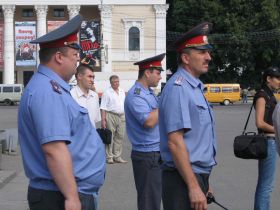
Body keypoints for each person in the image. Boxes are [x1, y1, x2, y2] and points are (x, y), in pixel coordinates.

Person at [18, 15, 106, 210]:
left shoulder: (53, 88)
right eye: (74, 57)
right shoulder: (48, 91)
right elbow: (54, 149)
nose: (77, 63)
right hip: (60, 195)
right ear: (59, 57)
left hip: (65, 192)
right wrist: (72, 197)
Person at [158, 22, 217, 210]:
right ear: (185, 57)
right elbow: (175, 142)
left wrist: (202, 182)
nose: (208, 57)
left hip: (193, 176)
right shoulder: (178, 88)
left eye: (207, 52)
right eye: (201, 52)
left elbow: (195, 140)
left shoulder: (194, 87)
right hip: (181, 180)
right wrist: (193, 185)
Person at [124, 53, 165, 210]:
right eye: (158, 72)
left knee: (155, 198)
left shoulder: (148, 93)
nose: (160, 77)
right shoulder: (136, 95)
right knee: (149, 202)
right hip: (147, 155)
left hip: (156, 152)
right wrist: (164, 102)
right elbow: (149, 121)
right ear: (147, 72)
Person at [254, 67, 280, 210]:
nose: (279, 81)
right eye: (277, 78)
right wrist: (278, 129)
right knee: (266, 185)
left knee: (267, 185)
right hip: (267, 142)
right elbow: (260, 123)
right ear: (268, 79)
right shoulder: (262, 96)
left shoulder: (271, 96)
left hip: (271, 141)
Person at [100, 75, 127, 164]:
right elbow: (103, 107)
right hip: (111, 115)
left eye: (117, 81)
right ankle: (109, 157)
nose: (116, 83)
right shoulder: (107, 92)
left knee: (120, 136)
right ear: (111, 83)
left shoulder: (122, 91)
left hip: (122, 116)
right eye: (114, 82)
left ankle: (117, 156)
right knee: (109, 137)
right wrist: (103, 120)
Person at [71, 64, 101, 128]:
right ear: (79, 76)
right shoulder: (70, 96)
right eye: (89, 77)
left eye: (93, 77)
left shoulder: (95, 96)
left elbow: (95, 120)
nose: (92, 80)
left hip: (92, 136)